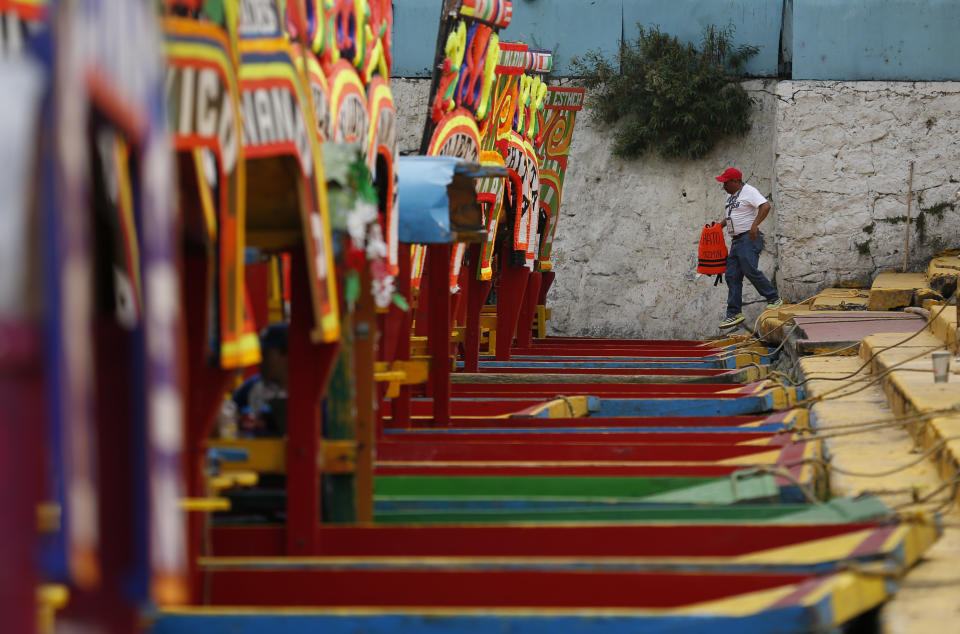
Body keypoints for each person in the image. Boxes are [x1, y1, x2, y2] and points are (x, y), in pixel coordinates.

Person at [715, 168, 782, 328]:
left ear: (736, 181)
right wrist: (719, 226)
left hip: (748, 238)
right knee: (732, 275)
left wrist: (754, 226)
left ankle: (774, 298)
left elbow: (765, 206)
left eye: (726, 182)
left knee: (749, 269)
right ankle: (734, 313)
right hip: (737, 241)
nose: (723, 185)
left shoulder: (749, 191)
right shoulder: (731, 196)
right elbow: (731, 216)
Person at [231, 322, 289, 436]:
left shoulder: (310, 394)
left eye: (264, 354)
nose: (259, 361)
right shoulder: (250, 387)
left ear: (285, 354)